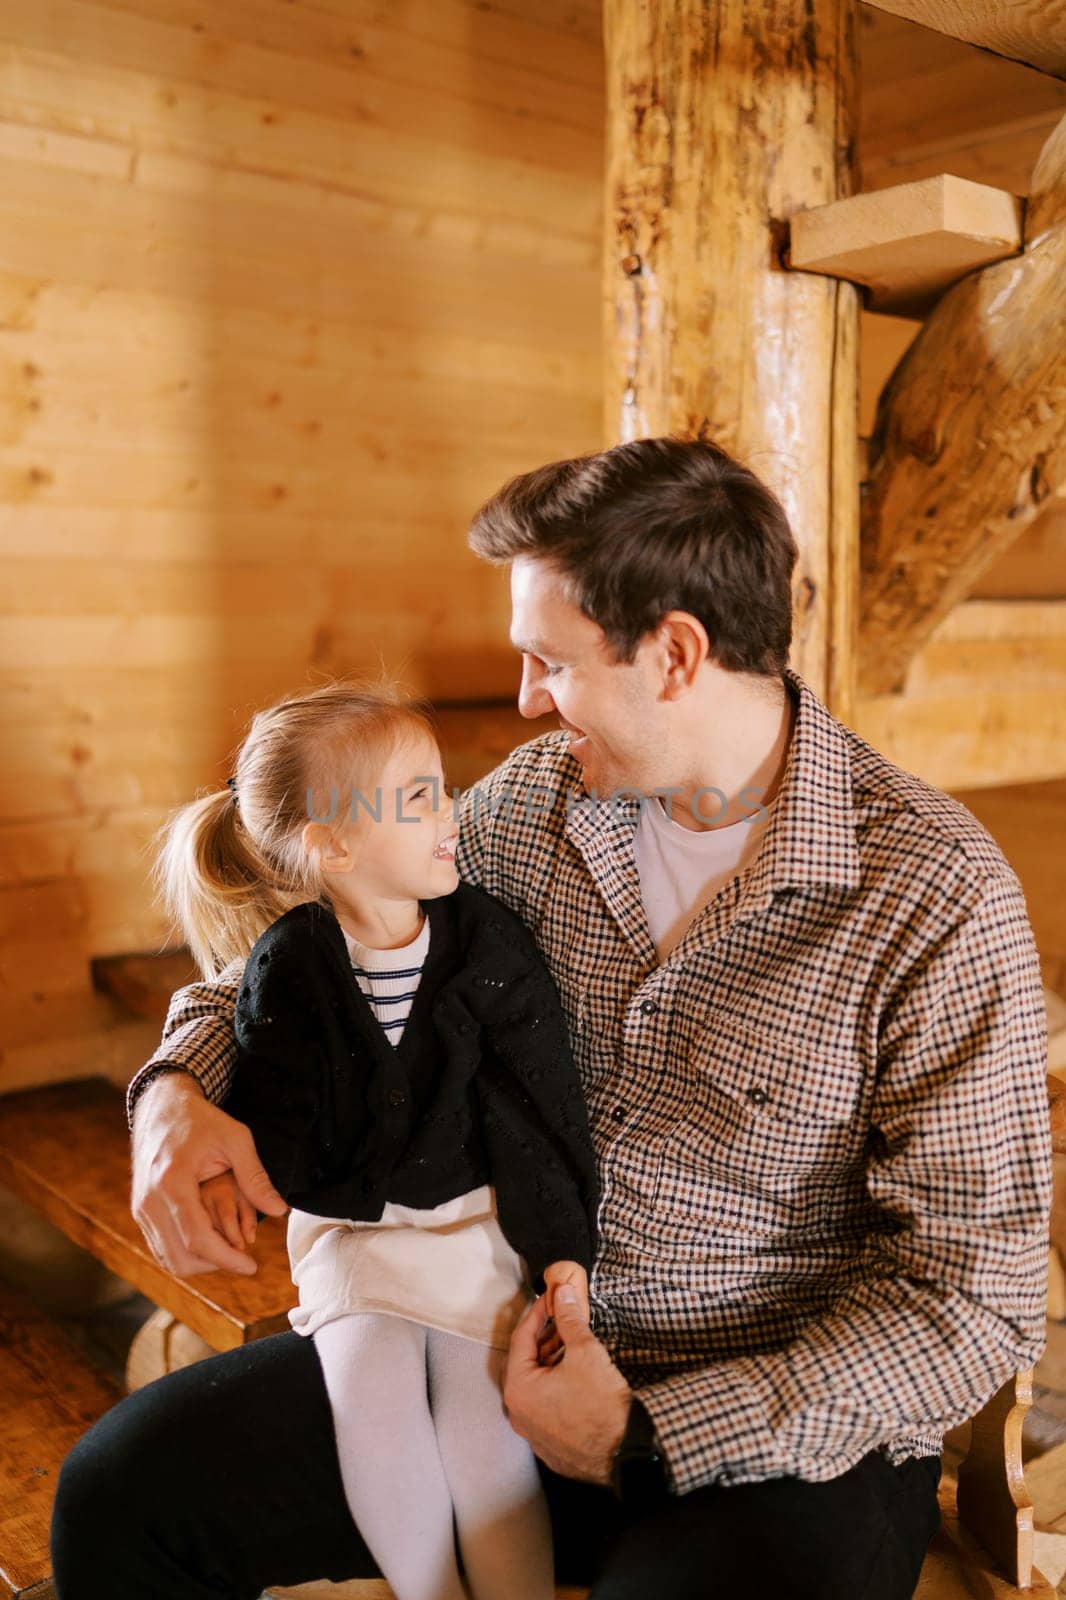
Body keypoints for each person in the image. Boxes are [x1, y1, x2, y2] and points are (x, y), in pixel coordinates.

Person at [52, 436, 1052, 1600]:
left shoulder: (933, 890)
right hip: (476, 1340)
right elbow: (314, 958)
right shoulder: (532, 804)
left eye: (549, 661)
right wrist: (172, 1091)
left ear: (674, 653)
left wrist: (644, 1432)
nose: (525, 699)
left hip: (766, 1432)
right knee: (123, 1490)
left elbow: (968, 1298)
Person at [137, 680, 600, 1600]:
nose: (450, 812)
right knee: (372, 1413)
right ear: (333, 844)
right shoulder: (290, 967)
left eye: (444, 787)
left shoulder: (484, 945)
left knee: (483, 1440)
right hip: (351, 1235)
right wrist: (222, 1142)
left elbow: (535, 1107)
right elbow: (278, 1112)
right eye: (419, 796)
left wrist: (560, 1250)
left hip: (474, 1227)